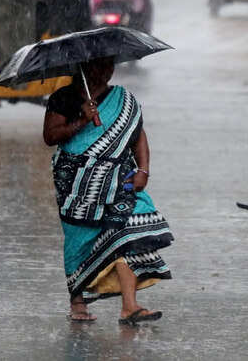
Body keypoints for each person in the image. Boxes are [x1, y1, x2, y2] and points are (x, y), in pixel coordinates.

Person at [43, 56, 173, 324]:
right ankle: (78, 303)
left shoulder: (122, 98)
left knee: (127, 233)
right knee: (80, 240)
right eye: (99, 64)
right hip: (77, 183)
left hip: (119, 179)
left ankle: (130, 306)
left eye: (110, 64)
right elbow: (50, 136)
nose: (107, 70)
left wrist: (143, 169)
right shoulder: (63, 98)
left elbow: (138, 135)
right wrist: (81, 119)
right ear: (83, 66)